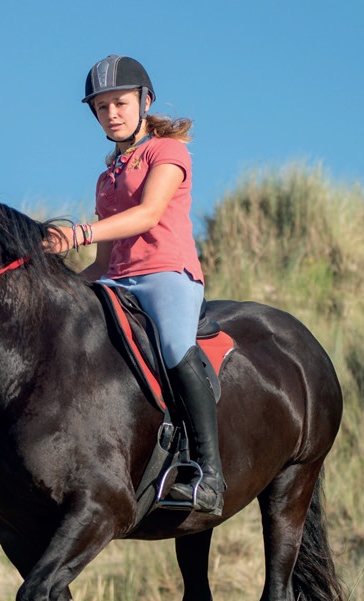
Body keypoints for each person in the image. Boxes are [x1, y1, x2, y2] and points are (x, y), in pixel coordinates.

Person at [44, 54, 225, 515]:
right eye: (102, 108)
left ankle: (210, 474)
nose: (112, 114)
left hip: (166, 274)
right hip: (117, 281)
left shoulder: (168, 152)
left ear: (144, 101)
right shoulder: (107, 178)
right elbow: (102, 263)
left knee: (173, 346)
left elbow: (146, 216)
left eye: (120, 103)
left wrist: (80, 232)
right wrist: (53, 282)